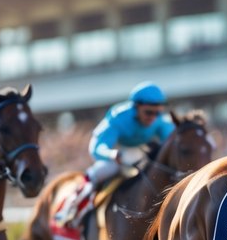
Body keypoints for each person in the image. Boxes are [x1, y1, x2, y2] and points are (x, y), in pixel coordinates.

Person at [55, 81, 176, 228]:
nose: (153, 117)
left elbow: (174, 142)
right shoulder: (119, 117)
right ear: (136, 107)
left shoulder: (159, 121)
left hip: (136, 150)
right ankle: (72, 205)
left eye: (157, 113)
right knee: (107, 169)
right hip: (111, 150)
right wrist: (110, 153)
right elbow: (99, 146)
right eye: (148, 112)